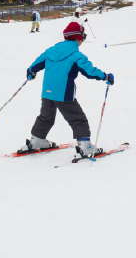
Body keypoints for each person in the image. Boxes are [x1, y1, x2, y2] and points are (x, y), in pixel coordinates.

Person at [21, 21, 114, 158]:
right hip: (63, 93)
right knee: (78, 119)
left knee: (45, 117)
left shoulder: (51, 50)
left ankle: (36, 141)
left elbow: (36, 64)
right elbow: (89, 71)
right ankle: (85, 146)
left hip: (47, 92)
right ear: (78, 38)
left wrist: (31, 72)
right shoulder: (76, 55)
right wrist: (105, 76)